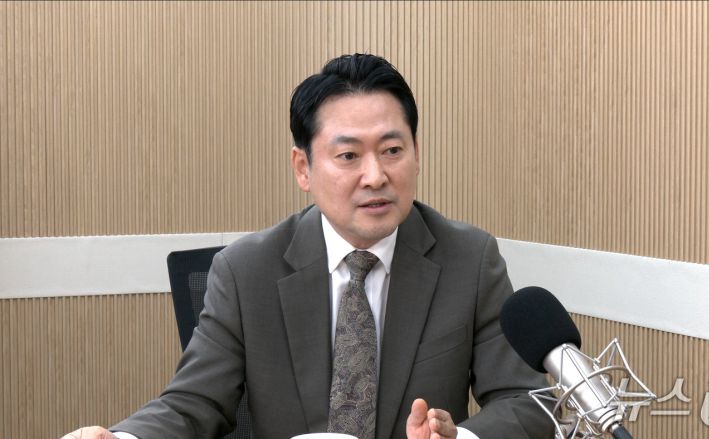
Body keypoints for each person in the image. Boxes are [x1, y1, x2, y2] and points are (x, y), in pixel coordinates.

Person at [62, 54, 553, 439]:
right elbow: (193, 403)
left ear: (416, 154)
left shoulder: (469, 260)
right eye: (348, 155)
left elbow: (526, 400)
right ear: (303, 168)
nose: (375, 176)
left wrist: (461, 437)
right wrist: (124, 437)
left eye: (392, 150)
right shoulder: (246, 271)